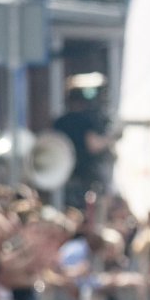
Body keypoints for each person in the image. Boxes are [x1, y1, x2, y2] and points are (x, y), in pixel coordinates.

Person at [52, 72, 119, 210]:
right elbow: (93, 145)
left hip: (64, 178)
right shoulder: (87, 120)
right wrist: (112, 138)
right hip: (86, 176)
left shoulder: (60, 121)